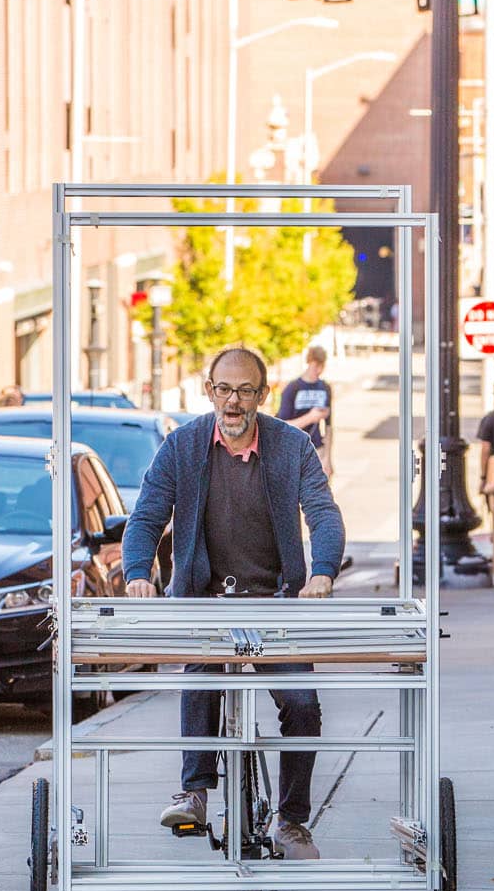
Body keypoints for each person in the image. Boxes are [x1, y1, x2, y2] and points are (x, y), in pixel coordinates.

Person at [122, 346, 345, 860]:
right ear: (209, 391)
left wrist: (321, 574)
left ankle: (292, 821)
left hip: (277, 602)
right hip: (204, 600)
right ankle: (195, 793)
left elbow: (323, 513)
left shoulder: (292, 447)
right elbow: (147, 515)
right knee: (201, 679)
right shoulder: (182, 447)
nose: (234, 401)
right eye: (224, 389)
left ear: (263, 396)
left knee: (302, 704)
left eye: (246, 390)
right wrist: (138, 574)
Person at [275, 345, 334, 476]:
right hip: (294, 451)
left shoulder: (325, 388)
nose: (318, 370)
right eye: (315, 366)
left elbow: (329, 427)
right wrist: (311, 417)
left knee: (317, 494)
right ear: (308, 362)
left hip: (317, 449)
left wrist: (328, 459)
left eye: (321, 366)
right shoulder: (293, 388)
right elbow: (282, 426)